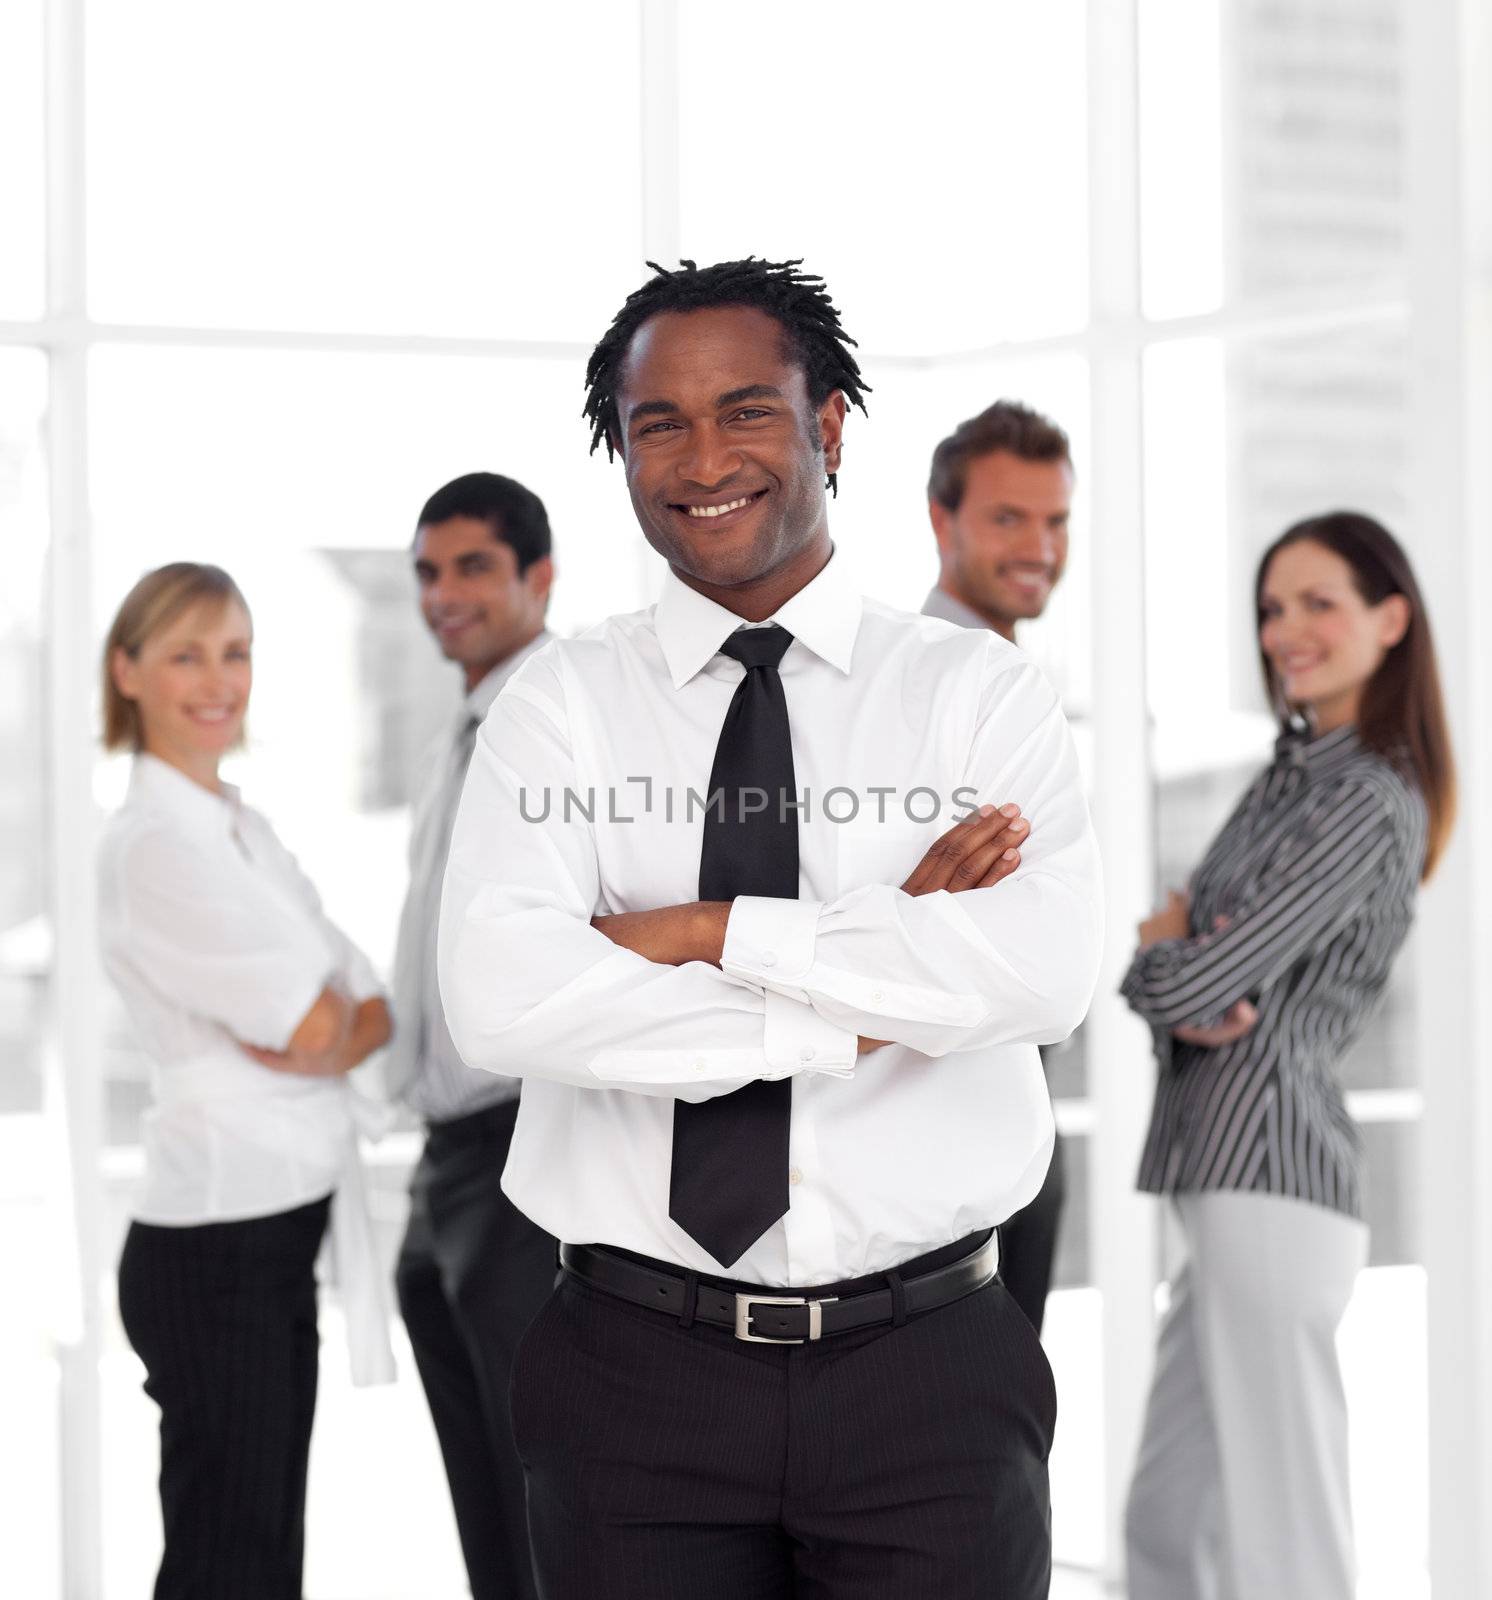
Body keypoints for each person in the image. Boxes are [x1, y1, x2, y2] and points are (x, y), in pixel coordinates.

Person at [438, 257, 1104, 1598]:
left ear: (831, 425)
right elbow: (505, 999)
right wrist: (877, 979)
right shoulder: (558, 707)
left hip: (927, 1371)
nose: (701, 458)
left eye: (746, 410)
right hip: (634, 1381)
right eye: (657, 425)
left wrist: (698, 930)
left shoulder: (978, 697)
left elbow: (1037, 975)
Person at [1120, 511, 1455, 1600]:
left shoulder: (1364, 796)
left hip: (1275, 1181)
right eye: (1272, 607)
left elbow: (1189, 975)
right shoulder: (1290, 778)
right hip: (1218, 1180)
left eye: (1319, 602)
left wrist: (1170, 957)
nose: (1286, 630)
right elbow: (1175, 965)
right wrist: (1171, 960)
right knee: (1169, 1523)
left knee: (1283, 1537)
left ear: (1389, 619)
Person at [99, 562, 395, 1600]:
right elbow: (328, 1014)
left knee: (258, 1556)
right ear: (126, 670)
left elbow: (374, 1006)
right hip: (219, 1243)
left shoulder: (237, 826)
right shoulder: (157, 847)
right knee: (232, 1566)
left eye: (235, 652)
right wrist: (339, 1021)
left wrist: (342, 1022)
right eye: (185, 653)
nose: (217, 679)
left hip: (268, 1230)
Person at [386, 472, 558, 1600]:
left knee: (534, 1483)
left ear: (538, 577)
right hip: (445, 1153)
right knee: (482, 1487)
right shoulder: (466, 727)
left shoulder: (546, 728)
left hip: (518, 1142)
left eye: (473, 568)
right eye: (428, 573)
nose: (444, 595)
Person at [923, 398, 1076, 1334]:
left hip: (1021, 1096)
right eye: (1008, 517)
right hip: (942, 1120)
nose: (1040, 546)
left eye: (1055, 519)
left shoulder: (1020, 688)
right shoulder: (917, 688)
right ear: (943, 520)